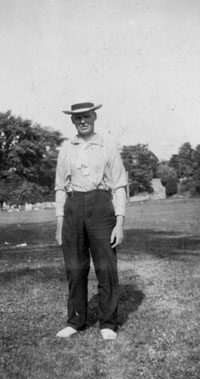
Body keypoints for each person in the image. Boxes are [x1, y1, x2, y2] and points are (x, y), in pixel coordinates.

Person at [55, 102, 127, 340]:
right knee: (75, 269)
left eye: (86, 116)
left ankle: (108, 322)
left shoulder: (108, 146)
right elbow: (59, 188)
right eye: (77, 118)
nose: (82, 121)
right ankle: (75, 321)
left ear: (94, 116)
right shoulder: (66, 148)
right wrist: (59, 224)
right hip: (73, 208)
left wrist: (119, 223)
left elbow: (118, 185)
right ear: (72, 121)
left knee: (105, 267)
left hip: (100, 207)